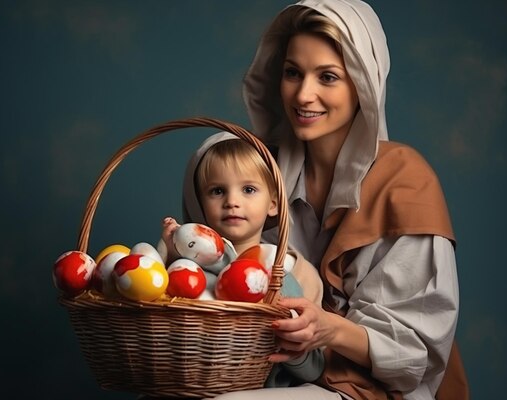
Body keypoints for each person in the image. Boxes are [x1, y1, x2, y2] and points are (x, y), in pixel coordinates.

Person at [204, 0, 469, 399]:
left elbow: (415, 352)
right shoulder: (253, 171)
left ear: (363, 85)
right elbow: (207, 269)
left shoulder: (406, 183)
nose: (304, 94)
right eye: (293, 73)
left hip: (370, 387)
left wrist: (329, 328)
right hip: (268, 371)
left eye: (327, 77)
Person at [162, 133, 326, 387]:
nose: (232, 202)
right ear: (201, 204)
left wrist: (293, 345)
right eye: (217, 191)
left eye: (248, 189)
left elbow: (313, 369)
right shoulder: (189, 264)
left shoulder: (293, 272)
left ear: (273, 204)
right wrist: (172, 257)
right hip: (190, 385)